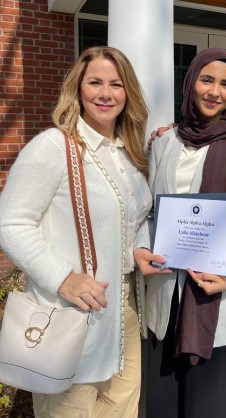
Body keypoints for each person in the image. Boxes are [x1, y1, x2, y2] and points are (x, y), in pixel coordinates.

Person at [0, 46, 156, 417]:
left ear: (128, 92)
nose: (106, 93)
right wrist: (63, 278)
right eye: (95, 82)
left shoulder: (128, 154)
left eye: (116, 84)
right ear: (78, 88)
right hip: (71, 317)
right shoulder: (52, 147)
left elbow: (136, 220)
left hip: (126, 317)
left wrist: (139, 248)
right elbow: (10, 223)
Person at [134, 48, 226, 418]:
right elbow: (148, 211)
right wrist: (141, 248)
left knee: (213, 407)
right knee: (163, 405)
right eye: (206, 79)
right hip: (167, 295)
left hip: (219, 296)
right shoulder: (164, 141)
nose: (215, 91)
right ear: (190, 82)